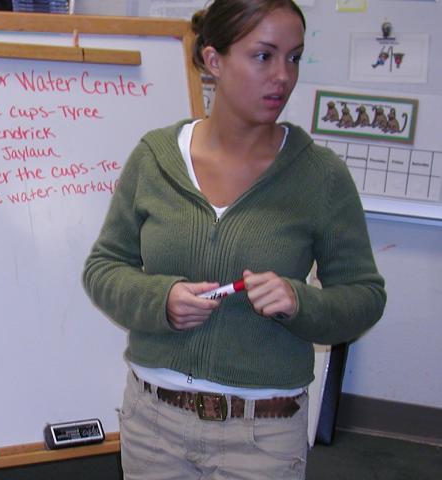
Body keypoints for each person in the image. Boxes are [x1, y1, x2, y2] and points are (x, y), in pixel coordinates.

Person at [82, 0, 387, 478]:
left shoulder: (321, 176)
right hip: (153, 424)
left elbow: (365, 298)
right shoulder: (155, 157)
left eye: (294, 57)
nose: (283, 76)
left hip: (262, 435)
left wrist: (298, 302)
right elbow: (103, 268)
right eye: (264, 56)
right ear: (214, 60)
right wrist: (160, 299)